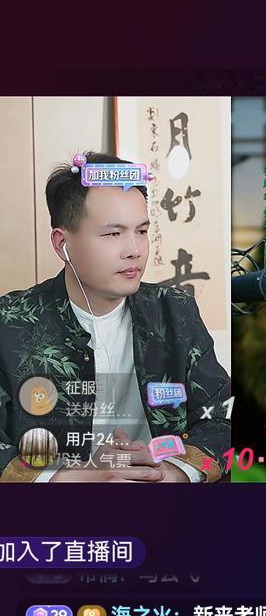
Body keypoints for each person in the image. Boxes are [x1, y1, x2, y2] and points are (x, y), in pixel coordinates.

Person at [0, 151, 230, 482]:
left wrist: (174, 472)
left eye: (142, 231)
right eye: (113, 234)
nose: (134, 249)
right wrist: (76, 478)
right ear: (62, 244)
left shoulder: (174, 310)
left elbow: (221, 416)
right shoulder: (11, 322)